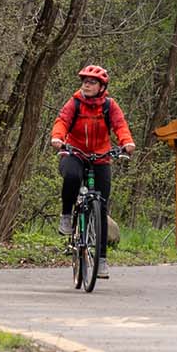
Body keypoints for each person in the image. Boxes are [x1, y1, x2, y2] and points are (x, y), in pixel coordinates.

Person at [50, 64, 136, 265]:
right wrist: (57, 138)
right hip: (75, 152)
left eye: (92, 82)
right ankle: (66, 215)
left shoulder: (109, 106)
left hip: (101, 157)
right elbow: (62, 121)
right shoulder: (75, 103)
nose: (87, 85)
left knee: (102, 207)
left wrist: (127, 142)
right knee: (71, 176)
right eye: (85, 82)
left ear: (101, 87)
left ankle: (102, 259)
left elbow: (120, 125)